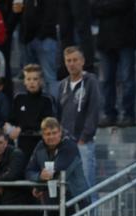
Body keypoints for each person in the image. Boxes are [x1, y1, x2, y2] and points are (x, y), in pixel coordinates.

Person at [57, 47, 101, 192]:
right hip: (65, 143)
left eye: (75, 60)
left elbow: (94, 111)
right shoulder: (62, 85)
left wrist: (84, 137)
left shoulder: (91, 81)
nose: (71, 64)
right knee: (68, 186)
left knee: (87, 185)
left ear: (82, 61)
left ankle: (92, 209)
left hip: (83, 143)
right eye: (68, 61)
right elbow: (58, 114)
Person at [26, 116, 88, 213]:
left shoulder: (70, 146)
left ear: (60, 132)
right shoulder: (40, 147)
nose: (51, 137)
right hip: (52, 202)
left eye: (54, 133)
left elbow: (58, 172)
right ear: (43, 135)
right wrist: (39, 176)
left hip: (75, 200)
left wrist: (39, 186)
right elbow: (29, 171)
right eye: (48, 134)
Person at [93, 0, 136, 128]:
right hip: (105, 40)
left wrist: (104, 7)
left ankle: (128, 114)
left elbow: (123, 4)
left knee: (127, 79)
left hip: (125, 39)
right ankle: (109, 114)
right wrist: (109, 7)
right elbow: (93, 7)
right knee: (106, 80)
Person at [8, 63, 55, 158]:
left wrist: (21, 128)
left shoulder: (47, 100)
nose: (31, 82)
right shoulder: (19, 98)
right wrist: (8, 126)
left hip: (41, 146)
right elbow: (12, 119)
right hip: (21, 147)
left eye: (35, 79)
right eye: (28, 79)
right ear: (24, 81)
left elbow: (46, 123)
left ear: (41, 81)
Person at [17, 0, 59, 96]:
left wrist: (41, 36)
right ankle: (33, 105)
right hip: (28, 40)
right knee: (31, 78)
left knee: (49, 78)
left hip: (45, 39)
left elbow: (52, 15)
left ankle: (52, 105)